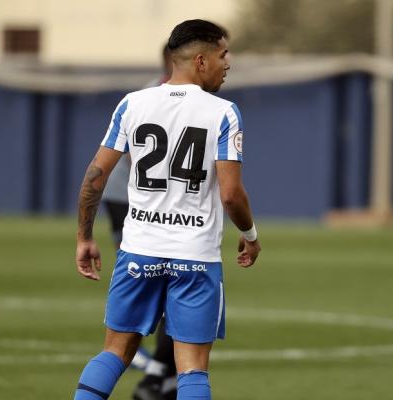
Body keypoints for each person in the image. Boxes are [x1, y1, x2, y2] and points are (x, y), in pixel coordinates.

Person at [74, 19, 261, 400]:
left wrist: (84, 237)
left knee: (114, 352)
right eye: (223, 54)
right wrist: (250, 235)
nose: (229, 63)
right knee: (191, 366)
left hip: (139, 249)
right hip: (195, 256)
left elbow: (95, 175)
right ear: (201, 60)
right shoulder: (223, 112)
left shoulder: (132, 103)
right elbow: (231, 195)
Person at [101, 43, 179, 400]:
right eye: (219, 54)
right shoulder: (149, 97)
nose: (227, 61)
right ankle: (155, 371)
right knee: (154, 283)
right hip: (129, 200)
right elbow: (136, 161)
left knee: (170, 285)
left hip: (160, 207)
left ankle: (161, 373)